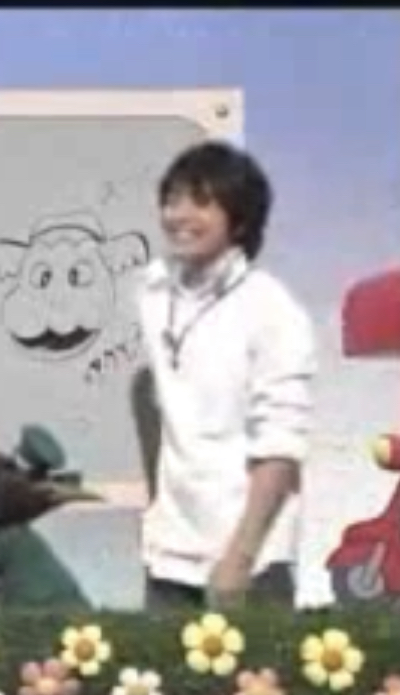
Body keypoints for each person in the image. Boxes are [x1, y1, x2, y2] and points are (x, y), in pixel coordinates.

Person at [137, 141, 317, 611]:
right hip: (168, 552)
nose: (180, 215)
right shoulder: (153, 292)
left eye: (201, 202)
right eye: (172, 200)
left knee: (255, 666)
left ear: (239, 220)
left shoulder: (271, 309)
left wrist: (242, 555)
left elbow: (281, 444)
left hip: (249, 558)